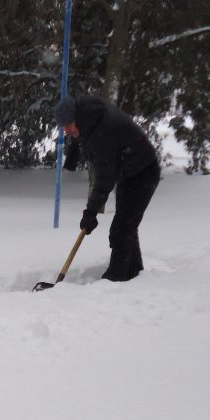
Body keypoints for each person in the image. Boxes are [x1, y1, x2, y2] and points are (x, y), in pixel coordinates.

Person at [54, 95, 160, 282]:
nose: (66, 130)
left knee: (121, 229)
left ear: (76, 118)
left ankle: (116, 278)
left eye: (68, 125)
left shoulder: (102, 132)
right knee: (126, 225)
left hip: (143, 172)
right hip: (130, 172)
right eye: (63, 126)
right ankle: (135, 274)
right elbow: (83, 141)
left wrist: (91, 212)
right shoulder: (89, 120)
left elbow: (104, 178)